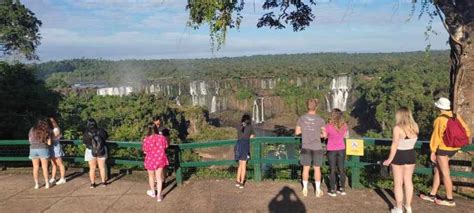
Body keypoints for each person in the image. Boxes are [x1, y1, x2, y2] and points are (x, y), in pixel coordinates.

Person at [420, 97, 471, 207]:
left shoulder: (440, 120)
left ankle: (450, 199)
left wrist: (433, 151)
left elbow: (436, 137)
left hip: (443, 150)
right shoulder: (455, 115)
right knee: (439, 169)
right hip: (454, 148)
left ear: (439, 107)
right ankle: (432, 194)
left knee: (445, 174)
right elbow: (467, 131)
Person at [383, 107, 419, 213]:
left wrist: (389, 159)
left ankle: (398, 208)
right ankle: (408, 206)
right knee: (408, 181)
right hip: (411, 154)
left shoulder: (397, 128)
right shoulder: (415, 126)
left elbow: (394, 145)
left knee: (398, 183)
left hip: (399, 155)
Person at [295, 99, 326, 197]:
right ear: (316, 107)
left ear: (307, 107)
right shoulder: (320, 120)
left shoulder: (301, 118)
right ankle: (317, 190)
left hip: (306, 146)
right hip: (317, 147)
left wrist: (306, 130)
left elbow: (297, 132)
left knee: (305, 168)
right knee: (317, 169)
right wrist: (318, 134)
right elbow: (324, 134)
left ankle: (304, 189)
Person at [323, 108, 348, 197]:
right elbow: (344, 135)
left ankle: (332, 190)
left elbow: (325, 136)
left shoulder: (328, 126)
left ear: (333, 115)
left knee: (332, 170)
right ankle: (342, 189)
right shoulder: (344, 125)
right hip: (341, 148)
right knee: (341, 169)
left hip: (331, 150)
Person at [142, 122, 169, 202]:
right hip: (160, 159)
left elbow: (145, 151)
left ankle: (153, 192)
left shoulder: (146, 139)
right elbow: (166, 146)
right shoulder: (162, 138)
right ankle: (159, 196)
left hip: (150, 159)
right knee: (159, 177)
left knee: (151, 176)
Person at [82, 118, 109, 188]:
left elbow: (84, 142)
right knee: (102, 167)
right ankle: (103, 182)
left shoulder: (86, 133)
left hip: (90, 151)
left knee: (92, 168)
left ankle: (92, 183)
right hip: (101, 150)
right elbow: (106, 137)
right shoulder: (101, 131)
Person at [29, 119, 51, 189]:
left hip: (33, 149)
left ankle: (36, 184)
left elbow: (29, 140)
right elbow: (49, 143)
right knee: (44, 167)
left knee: (35, 167)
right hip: (43, 148)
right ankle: (47, 184)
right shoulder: (45, 130)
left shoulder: (32, 129)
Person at [234, 114, 255, 189]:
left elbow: (240, 134)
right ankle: (242, 182)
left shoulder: (239, 126)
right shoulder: (250, 127)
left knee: (240, 165)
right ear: (249, 120)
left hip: (238, 146)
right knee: (244, 165)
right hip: (245, 146)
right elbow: (252, 136)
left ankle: (237, 181)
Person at [47, 117, 67, 185]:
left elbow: (54, 136)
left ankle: (62, 178)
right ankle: (53, 178)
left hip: (56, 146)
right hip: (51, 147)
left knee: (60, 163)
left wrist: (48, 133)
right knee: (53, 164)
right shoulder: (50, 129)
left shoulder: (56, 129)